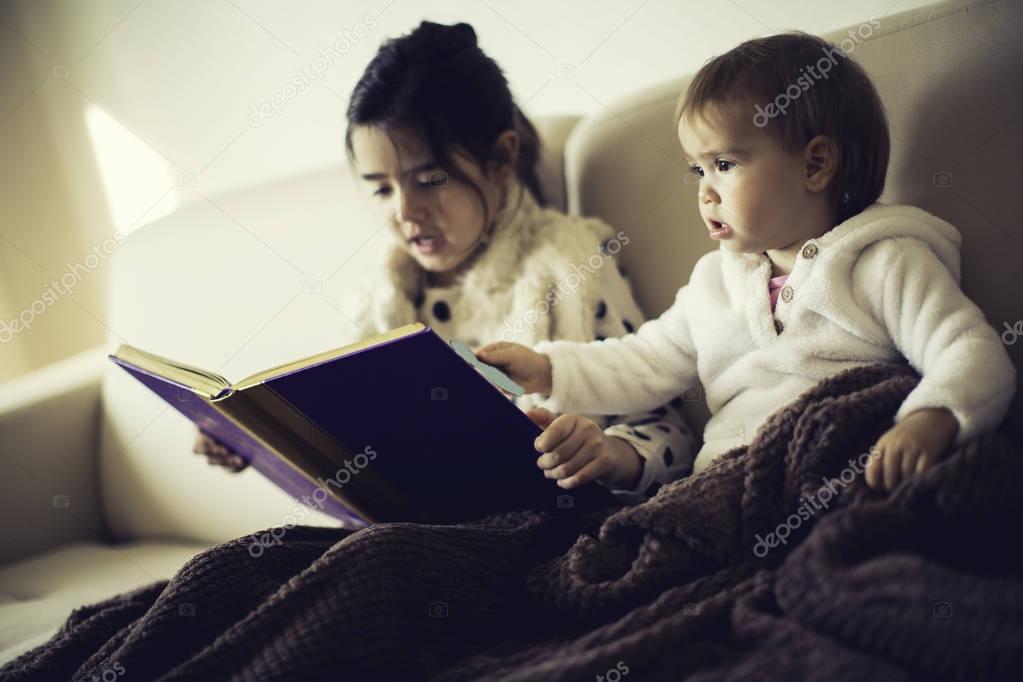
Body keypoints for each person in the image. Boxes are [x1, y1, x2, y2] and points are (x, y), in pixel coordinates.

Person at [476, 31, 1016, 494]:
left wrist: (933, 416)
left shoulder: (885, 261)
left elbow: (967, 348)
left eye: (725, 164)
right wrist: (549, 369)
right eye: (697, 171)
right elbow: (646, 360)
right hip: (727, 490)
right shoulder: (715, 282)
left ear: (816, 164)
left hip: (835, 473)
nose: (705, 194)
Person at [194, 21, 697, 500]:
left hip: (532, 531)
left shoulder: (570, 267)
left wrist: (609, 454)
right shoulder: (379, 301)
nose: (405, 211)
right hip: (409, 532)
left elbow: (671, 430)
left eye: (429, 180)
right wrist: (259, 444)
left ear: (501, 159)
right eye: (381, 189)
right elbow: (346, 453)